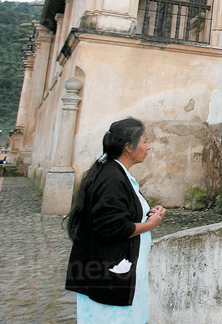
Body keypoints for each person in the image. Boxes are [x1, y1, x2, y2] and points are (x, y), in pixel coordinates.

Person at [65, 118, 166, 323]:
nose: (148, 147)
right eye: (145, 141)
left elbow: (117, 212)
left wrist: (147, 213)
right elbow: (111, 226)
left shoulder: (115, 172)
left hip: (111, 272)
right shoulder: (112, 177)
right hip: (109, 276)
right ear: (128, 146)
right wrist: (150, 225)